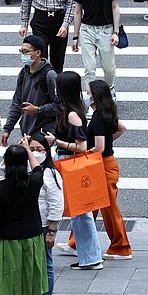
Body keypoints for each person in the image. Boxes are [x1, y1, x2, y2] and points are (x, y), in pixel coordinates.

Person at [49, 71, 103, 271]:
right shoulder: (71, 110)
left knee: (81, 213)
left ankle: (91, 258)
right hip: (66, 162)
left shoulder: (72, 115)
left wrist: (55, 141)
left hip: (70, 163)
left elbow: (81, 146)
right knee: (79, 213)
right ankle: (88, 256)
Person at [0, 141, 47, 295]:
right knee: (34, 283)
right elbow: (38, 168)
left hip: (8, 240)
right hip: (33, 239)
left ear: (6, 163)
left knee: (7, 284)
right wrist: (27, 149)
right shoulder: (34, 182)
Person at [83, 80, 131, 260]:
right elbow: (122, 128)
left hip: (103, 165)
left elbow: (99, 148)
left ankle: (122, 247)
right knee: (91, 204)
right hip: (105, 164)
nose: (86, 95)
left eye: (87, 92)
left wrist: (83, 153)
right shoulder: (106, 112)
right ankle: (76, 241)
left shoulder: (98, 118)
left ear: (94, 96)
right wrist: (110, 140)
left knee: (109, 208)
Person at [15, 132, 63, 295]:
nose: (35, 152)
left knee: (45, 263)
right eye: (32, 149)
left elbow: (57, 203)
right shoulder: (26, 169)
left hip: (43, 226)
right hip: (29, 224)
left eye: (39, 149)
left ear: (47, 151)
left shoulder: (50, 173)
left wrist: (51, 231)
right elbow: (5, 167)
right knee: (31, 265)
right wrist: (23, 150)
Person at [71, 0, 121, 96]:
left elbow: (115, 7)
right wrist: (75, 36)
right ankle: (90, 98)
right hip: (87, 30)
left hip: (106, 29)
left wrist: (115, 32)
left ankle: (110, 87)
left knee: (109, 68)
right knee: (89, 68)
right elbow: (78, 11)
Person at [1, 35, 62, 147]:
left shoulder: (50, 75)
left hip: (44, 132)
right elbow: (16, 103)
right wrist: (7, 129)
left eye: (26, 51)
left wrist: (38, 110)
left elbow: (60, 106)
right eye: (21, 51)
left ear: (37, 53)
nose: (23, 55)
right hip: (26, 130)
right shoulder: (23, 73)